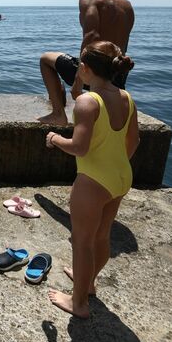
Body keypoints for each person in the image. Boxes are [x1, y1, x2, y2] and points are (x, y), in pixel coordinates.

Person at [44, 41, 139, 319]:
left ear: (84, 68)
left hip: (93, 180)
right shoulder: (125, 97)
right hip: (120, 176)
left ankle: (79, 302)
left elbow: (79, 147)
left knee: (82, 241)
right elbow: (134, 141)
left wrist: (54, 138)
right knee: (101, 236)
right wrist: (115, 165)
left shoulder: (87, 101)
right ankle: (90, 282)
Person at [38, 0, 134, 125]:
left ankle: (58, 114)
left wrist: (78, 81)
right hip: (116, 76)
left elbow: (91, 37)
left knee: (46, 59)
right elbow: (123, 45)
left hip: (93, 74)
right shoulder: (127, 6)